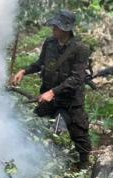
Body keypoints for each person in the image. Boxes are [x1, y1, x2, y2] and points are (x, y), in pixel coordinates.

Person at [11, 10, 93, 169]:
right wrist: (24, 71)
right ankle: (33, 160)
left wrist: (53, 92)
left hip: (70, 100)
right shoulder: (49, 43)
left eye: (57, 26)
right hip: (49, 96)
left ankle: (85, 166)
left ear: (66, 29)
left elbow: (76, 79)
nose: (53, 28)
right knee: (35, 125)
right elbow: (40, 63)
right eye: (54, 25)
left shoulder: (81, 49)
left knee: (79, 135)